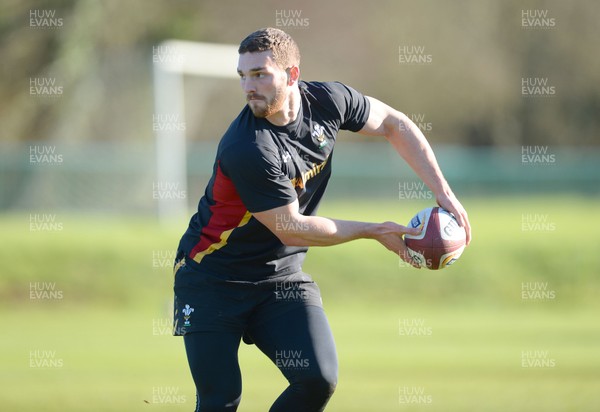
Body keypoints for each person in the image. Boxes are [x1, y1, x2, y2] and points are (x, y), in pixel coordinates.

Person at [173, 27, 471, 412]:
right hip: (211, 279)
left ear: (292, 74)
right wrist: (373, 230)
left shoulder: (329, 101)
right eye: (243, 76)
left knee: (317, 379)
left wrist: (442, 191)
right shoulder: (248, 147)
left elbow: (394, 124)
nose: (249, 86)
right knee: (220, 401)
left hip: (279, 278)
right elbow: (291, 226)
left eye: (260, 74)